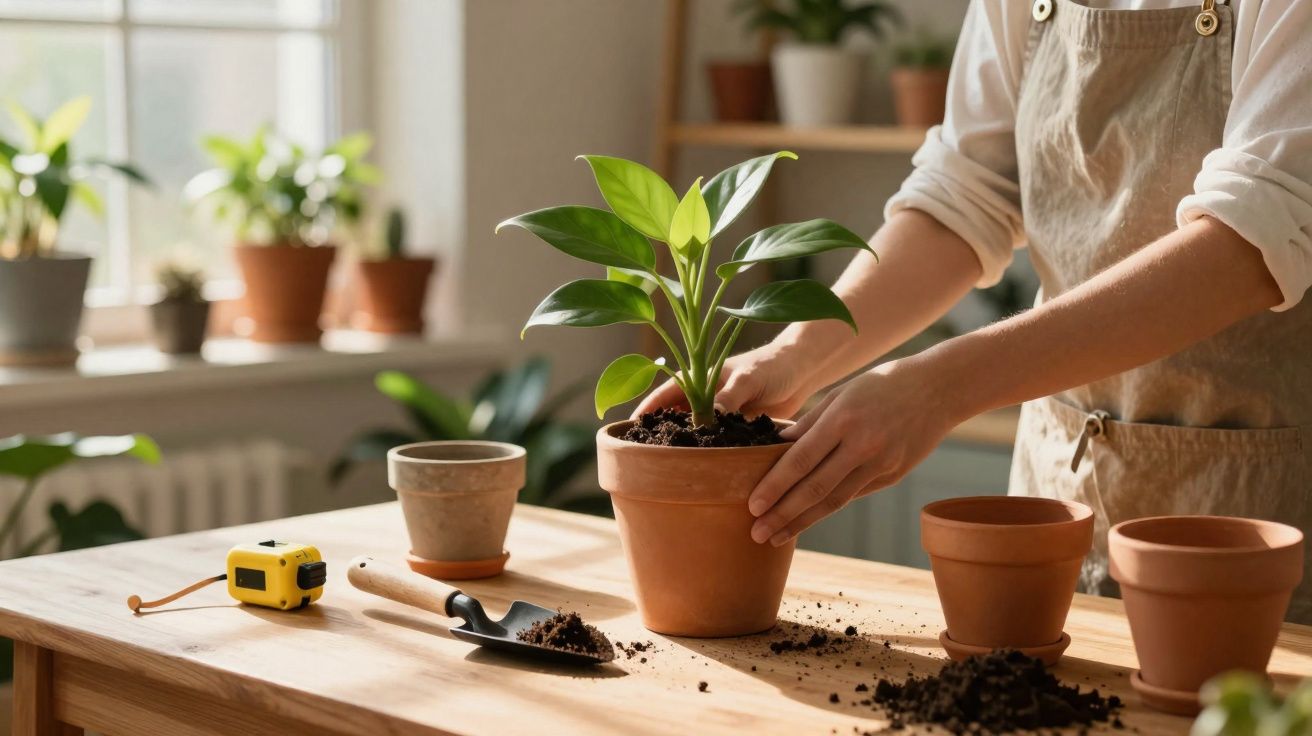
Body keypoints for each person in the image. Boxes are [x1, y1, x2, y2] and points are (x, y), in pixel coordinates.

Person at [637, 0, 1312, 623]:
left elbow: (1252, 241)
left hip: (1257, 509)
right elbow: (967, 191)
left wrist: (938, 388)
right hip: (1060, 493)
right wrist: (793, 355)